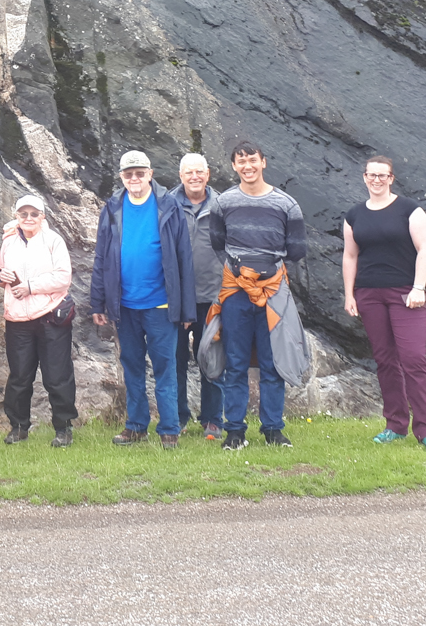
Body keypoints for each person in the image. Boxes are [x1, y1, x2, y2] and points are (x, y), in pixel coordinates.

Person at [90, 150, 195, 448]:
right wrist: (98, 303)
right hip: (125, 306)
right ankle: (136, 426)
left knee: (166, 368)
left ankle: (169, 429)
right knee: (132, 366)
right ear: (122, 177)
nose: (134, 178)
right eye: (128, 174)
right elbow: (101, 258)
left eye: (139, 173)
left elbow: (184, 259)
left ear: (150, 173)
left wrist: (186, 308)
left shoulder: (169, 206)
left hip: (161, 305)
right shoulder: (112, 207)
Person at [342, 155, 426, 451]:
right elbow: (350, 256)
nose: (376, 180)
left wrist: (418, 287)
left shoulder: (409, 210)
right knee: (386, 361)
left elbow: (425, 250)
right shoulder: (354, 215)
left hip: (405, 294)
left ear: (391, 178)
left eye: (382, 176)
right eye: (371, 175)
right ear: (364, 177)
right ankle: (395, 425)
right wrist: (349, 294)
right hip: (369, 295)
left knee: (413, 359)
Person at [215, 141, 306, 451]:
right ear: (234, 166)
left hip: (274, 292)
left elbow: (297, 249)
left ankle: (272, 429)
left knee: (272, 362)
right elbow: (217, 243)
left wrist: (267, 272)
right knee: (236, 363)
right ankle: (235, 431)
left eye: (252, 160)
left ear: (264, 162)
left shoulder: (286, 204)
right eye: (241, 161)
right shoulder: (224, 202)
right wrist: (242, 275)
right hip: (236, 294)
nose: (247, 166)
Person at [0, 194, 77, 448]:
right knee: (19, 376)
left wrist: (31, 287)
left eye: (34, 214)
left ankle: (63, 428)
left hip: (50, 315)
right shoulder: (9, 242)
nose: (28, 218)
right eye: (23, 214)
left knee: (57, 376)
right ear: (17, 217)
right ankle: (18, 426)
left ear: (42, 216)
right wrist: (1, 275)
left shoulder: (54, 240)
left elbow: (64, 277)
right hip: (17, 318)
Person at [169, 153, 227, 440]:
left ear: (208, 174)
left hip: (213, 297)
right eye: (189, 172)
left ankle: (213, 419)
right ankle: (178, 417)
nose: (194, 177)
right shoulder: (166, 204)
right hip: (175, 297)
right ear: (180, 176)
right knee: (175, 360)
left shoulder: (223, 205)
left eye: (199, 172)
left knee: (212, 359)